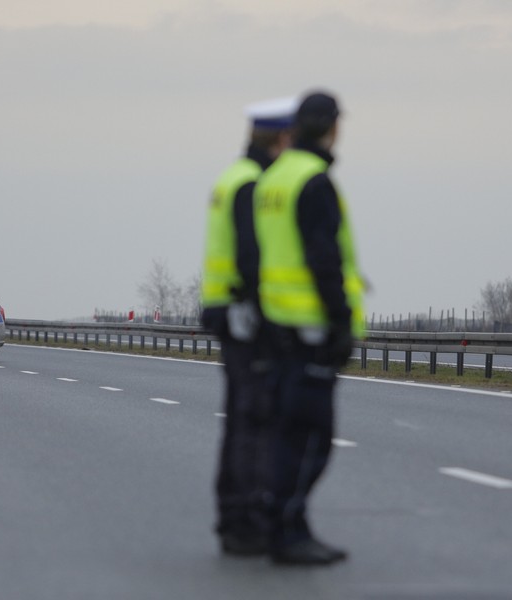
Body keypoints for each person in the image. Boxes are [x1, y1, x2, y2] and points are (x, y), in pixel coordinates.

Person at [253, 90, 366, 566]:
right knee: (312, 439)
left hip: (276, 326)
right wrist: (340, 322)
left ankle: (286, 524)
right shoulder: (313, 181)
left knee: (288, 433)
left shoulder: (273, 178)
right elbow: (324, 259)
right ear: (332, 126)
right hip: (311, 329)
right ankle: (287, 530)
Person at [201, 96, 297, 556]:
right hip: (244, 318)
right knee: (253, 419)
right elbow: (251, 256)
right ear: (281, 139)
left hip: (228, 312)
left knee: (244, 417)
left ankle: (235, 517)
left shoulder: (233, 177)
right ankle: (242, 521)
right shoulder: (251, 184)